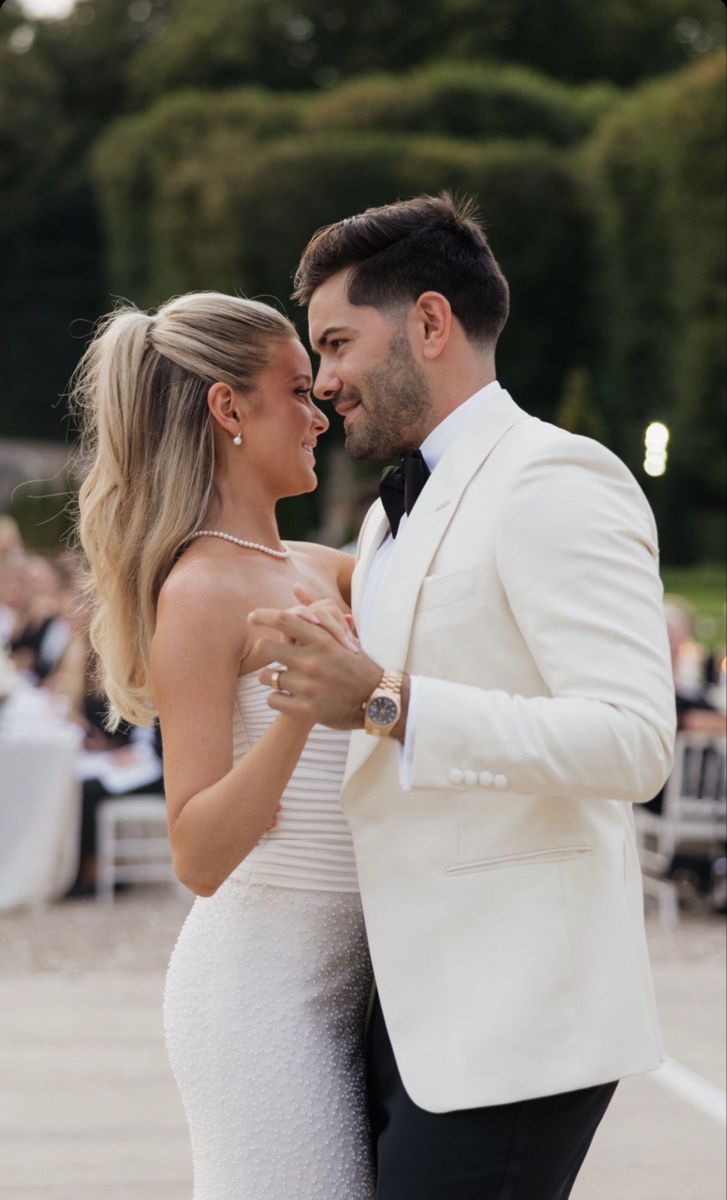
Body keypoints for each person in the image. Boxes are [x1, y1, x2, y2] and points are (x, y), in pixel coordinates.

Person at [248, 193, 678, 1200]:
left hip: (519, 1014)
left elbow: (633, 741)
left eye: (339, 342)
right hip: (406, 999)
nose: (326, 380)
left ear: (431, 323)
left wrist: (389, 702)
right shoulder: (390, 521)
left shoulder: (557, 478)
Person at [71, 292, 375, 1198]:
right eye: (295, 389)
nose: (318, 411)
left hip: (356, 987)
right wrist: (296, 710)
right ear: (227, 408)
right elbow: (198, 853)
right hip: (258, 996)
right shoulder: (199, 591)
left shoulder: (326, 569)